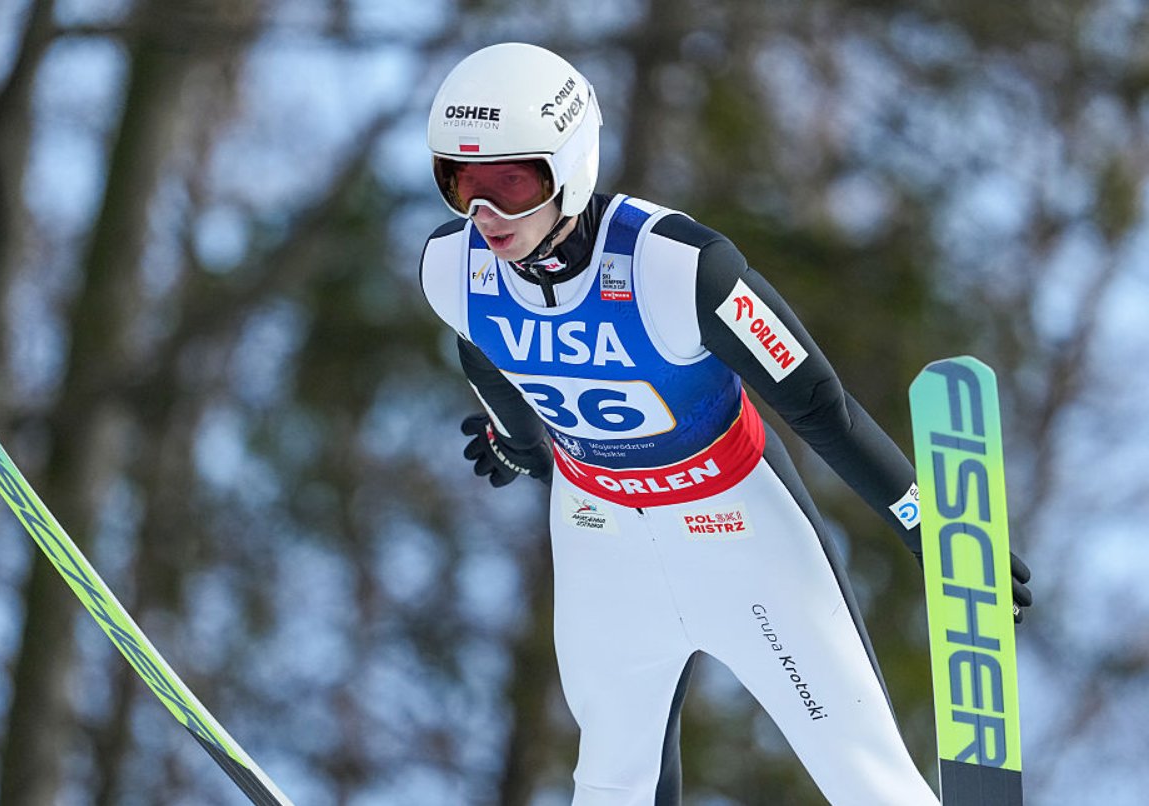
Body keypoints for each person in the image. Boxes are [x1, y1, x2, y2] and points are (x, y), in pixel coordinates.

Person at [417, 43, 1031, 805]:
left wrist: (931, 530)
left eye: (511, 184)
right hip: (600, 540)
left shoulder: (676, 266)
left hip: (737, 534)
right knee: (611, 785)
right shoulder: (452, 270)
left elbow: (818, 405)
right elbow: (485, 357)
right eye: (461, 184)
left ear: (569, 167)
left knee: (864, 777)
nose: (484, 217)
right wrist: (518, 445)